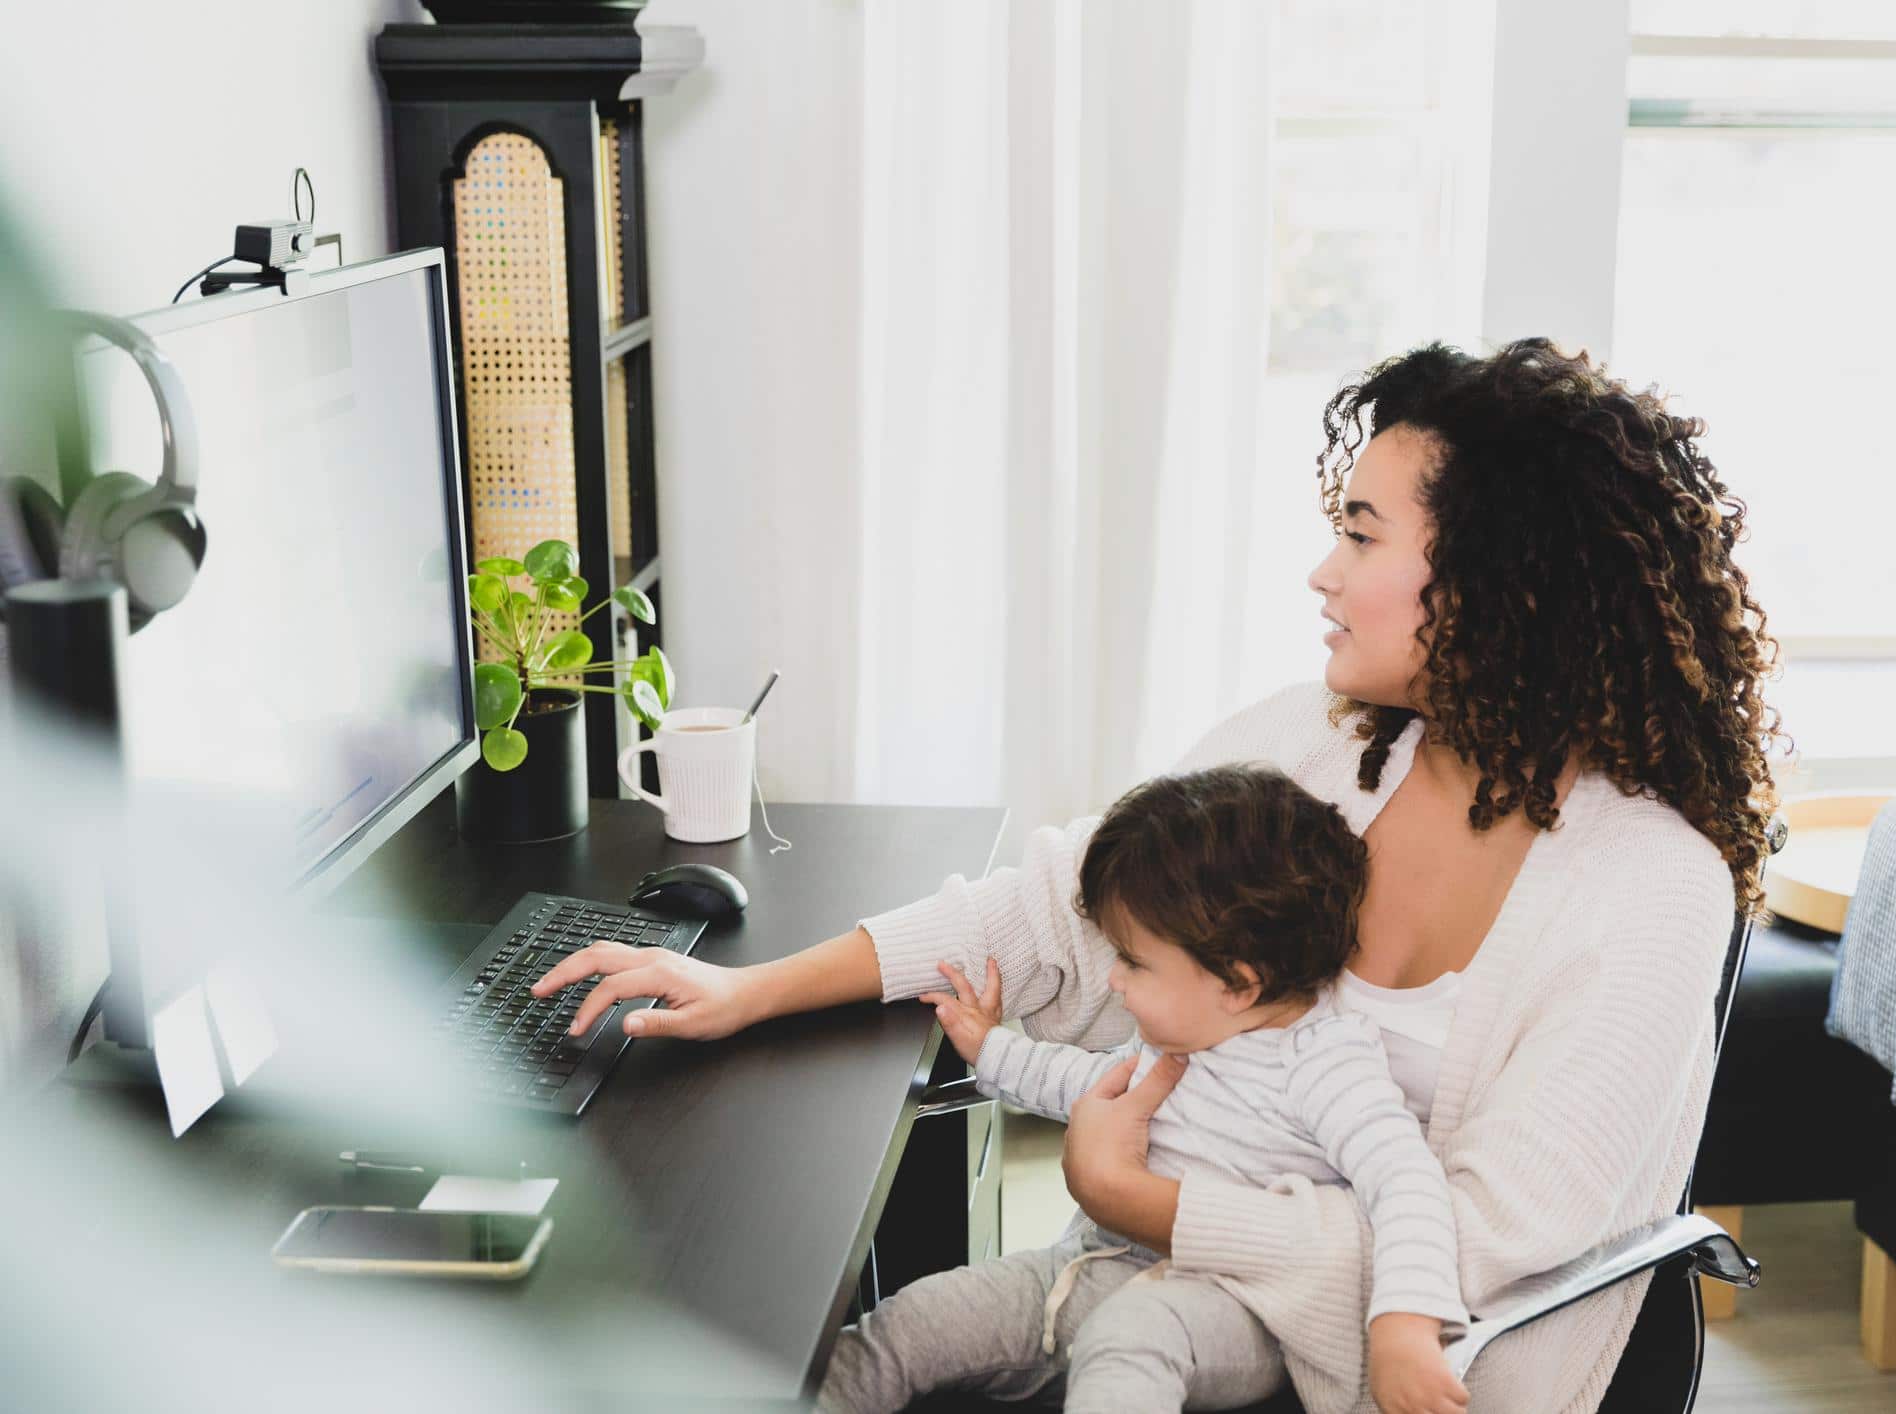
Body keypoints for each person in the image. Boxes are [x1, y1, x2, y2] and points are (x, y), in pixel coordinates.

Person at [532, 337, 1786, 1410]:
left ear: (1501, 583)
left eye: (1360, 533)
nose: (1323, 572)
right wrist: (748, 990)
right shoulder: (1313, 744)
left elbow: (1472, 1250)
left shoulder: (1650, 886)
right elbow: (1049, 911)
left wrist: (1135, 1196)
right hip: (1157, 1304)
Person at [818, 764, 1469, 1414]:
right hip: (1092, 1270)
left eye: (1131, 962)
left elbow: (1407, 1184)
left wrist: (1404, 1324)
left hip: (1232, 1309)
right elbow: (1086, 1085)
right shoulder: (1175, 1039)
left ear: (1237, 983)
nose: (1113, 983)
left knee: (1129, 1336)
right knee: (910, 1319)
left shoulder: (1326, 1064)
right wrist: (989, 1045)